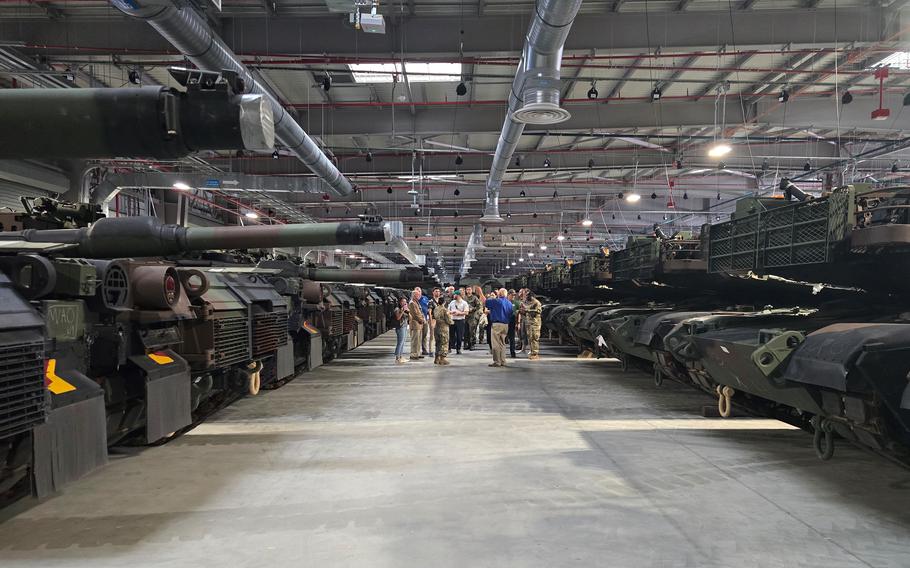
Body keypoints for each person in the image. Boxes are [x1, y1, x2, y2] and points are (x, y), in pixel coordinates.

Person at [485, 288, 513, 368]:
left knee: (495, 344)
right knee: (502, 343)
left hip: (497, 324)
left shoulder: (496, 301)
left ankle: (497, 361)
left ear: (499, 294)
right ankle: (503, 361)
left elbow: (485, 302)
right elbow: (510, 314)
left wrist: (480, 292)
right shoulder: (509, 303)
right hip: (505, 325)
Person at [521, 290, 543, 361]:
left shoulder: (536, 302)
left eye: (527, 295)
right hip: (529, 323)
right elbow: (525, 312)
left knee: (534, 338)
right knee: (530, 338)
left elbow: (538, 311)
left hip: (535, 323)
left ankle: (535, 353)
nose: (526, 297)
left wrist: (528, 310)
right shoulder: (526, 302)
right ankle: (532, 352)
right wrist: (522, 311)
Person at [432, 298, 454, 365]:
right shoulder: (444, 310)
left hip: (437, 327)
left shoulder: (436, 308)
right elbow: (448, 320)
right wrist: (452, 322)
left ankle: (436, 358)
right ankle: (442, 359)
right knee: (444, 343)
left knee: (438, 343)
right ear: (444, 302)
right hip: (443, 328)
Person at [448, 290, 469, 354]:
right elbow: (448, 310)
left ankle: (458, 348)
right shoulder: (452, 302)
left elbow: (466, 312)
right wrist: (451, 312)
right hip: (452, 320)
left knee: (459, 336)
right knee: (451, 335)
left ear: (459, 295)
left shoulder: (464, 303)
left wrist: (459, 313)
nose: (454, 296)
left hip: (460, 320)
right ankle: (449, 348)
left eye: (455, 295)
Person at [407, 288, 425, 361]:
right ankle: (413, 354)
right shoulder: (412, 303)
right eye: (417, 295)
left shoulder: (416, 302)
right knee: (415, 340)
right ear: (413, 296)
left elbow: (420, 312)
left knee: (418, 340)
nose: (419, 296)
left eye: (419, 294)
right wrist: (422, 320)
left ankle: (418, 353)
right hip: (415, 324)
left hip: (419, 324)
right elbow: (414, 314)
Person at [464, 286, 483, 351]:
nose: (468, 291)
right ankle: (467, 344)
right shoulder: (464, 298)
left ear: (472, 291)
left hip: (472, 316)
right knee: (466, 331)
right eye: (467, 289)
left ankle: (472, 344)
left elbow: (479, 306)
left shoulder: (474, 298)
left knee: (472, 331)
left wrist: (473, 309)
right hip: (465, 316)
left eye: (469, 289)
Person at [392, 297, 410, 364]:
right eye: (402, 301)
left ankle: (401, 356)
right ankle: (397, 357)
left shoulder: (405, 309)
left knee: (403, 342)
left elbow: (409, 317)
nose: (404, 303)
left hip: (405, 327)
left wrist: (407, 310)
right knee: (400, 342)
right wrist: (402, 311)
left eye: (405, 302)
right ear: (400, 302)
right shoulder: (397, 309)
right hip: (400, 327)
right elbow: (398, 317)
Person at [427, 288, 442, 356]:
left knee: (439, 336)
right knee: (432, 336)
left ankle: (438, 350)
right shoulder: (431, 301)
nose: (438, 293)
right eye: (436, 291)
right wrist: (430, 322)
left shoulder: (441, 301)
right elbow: (429, 312)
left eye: (438, 291)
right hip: (433, 320)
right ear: (433, 292)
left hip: (440, 320)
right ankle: (431, 351)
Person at [507, 289, 519, 359]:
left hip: (512, 321)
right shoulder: (505, 302)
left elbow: (519, 313)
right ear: (508, 295)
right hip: (505, 321)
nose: (513, 296)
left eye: (514, 295)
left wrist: (518, 323)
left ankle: (512, 352)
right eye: (512, 295)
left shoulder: (516, 303)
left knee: (512, 338)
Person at [419, 288, 431, 356]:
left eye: (419, 291)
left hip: (425, 319)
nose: (418, 293)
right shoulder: (414, 299)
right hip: (418, 320)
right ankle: (418, 350)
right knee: (418, 336)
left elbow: (428, 307)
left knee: (425, 335)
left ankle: (424, 349)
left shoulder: (425, 298)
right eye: (417, 291)